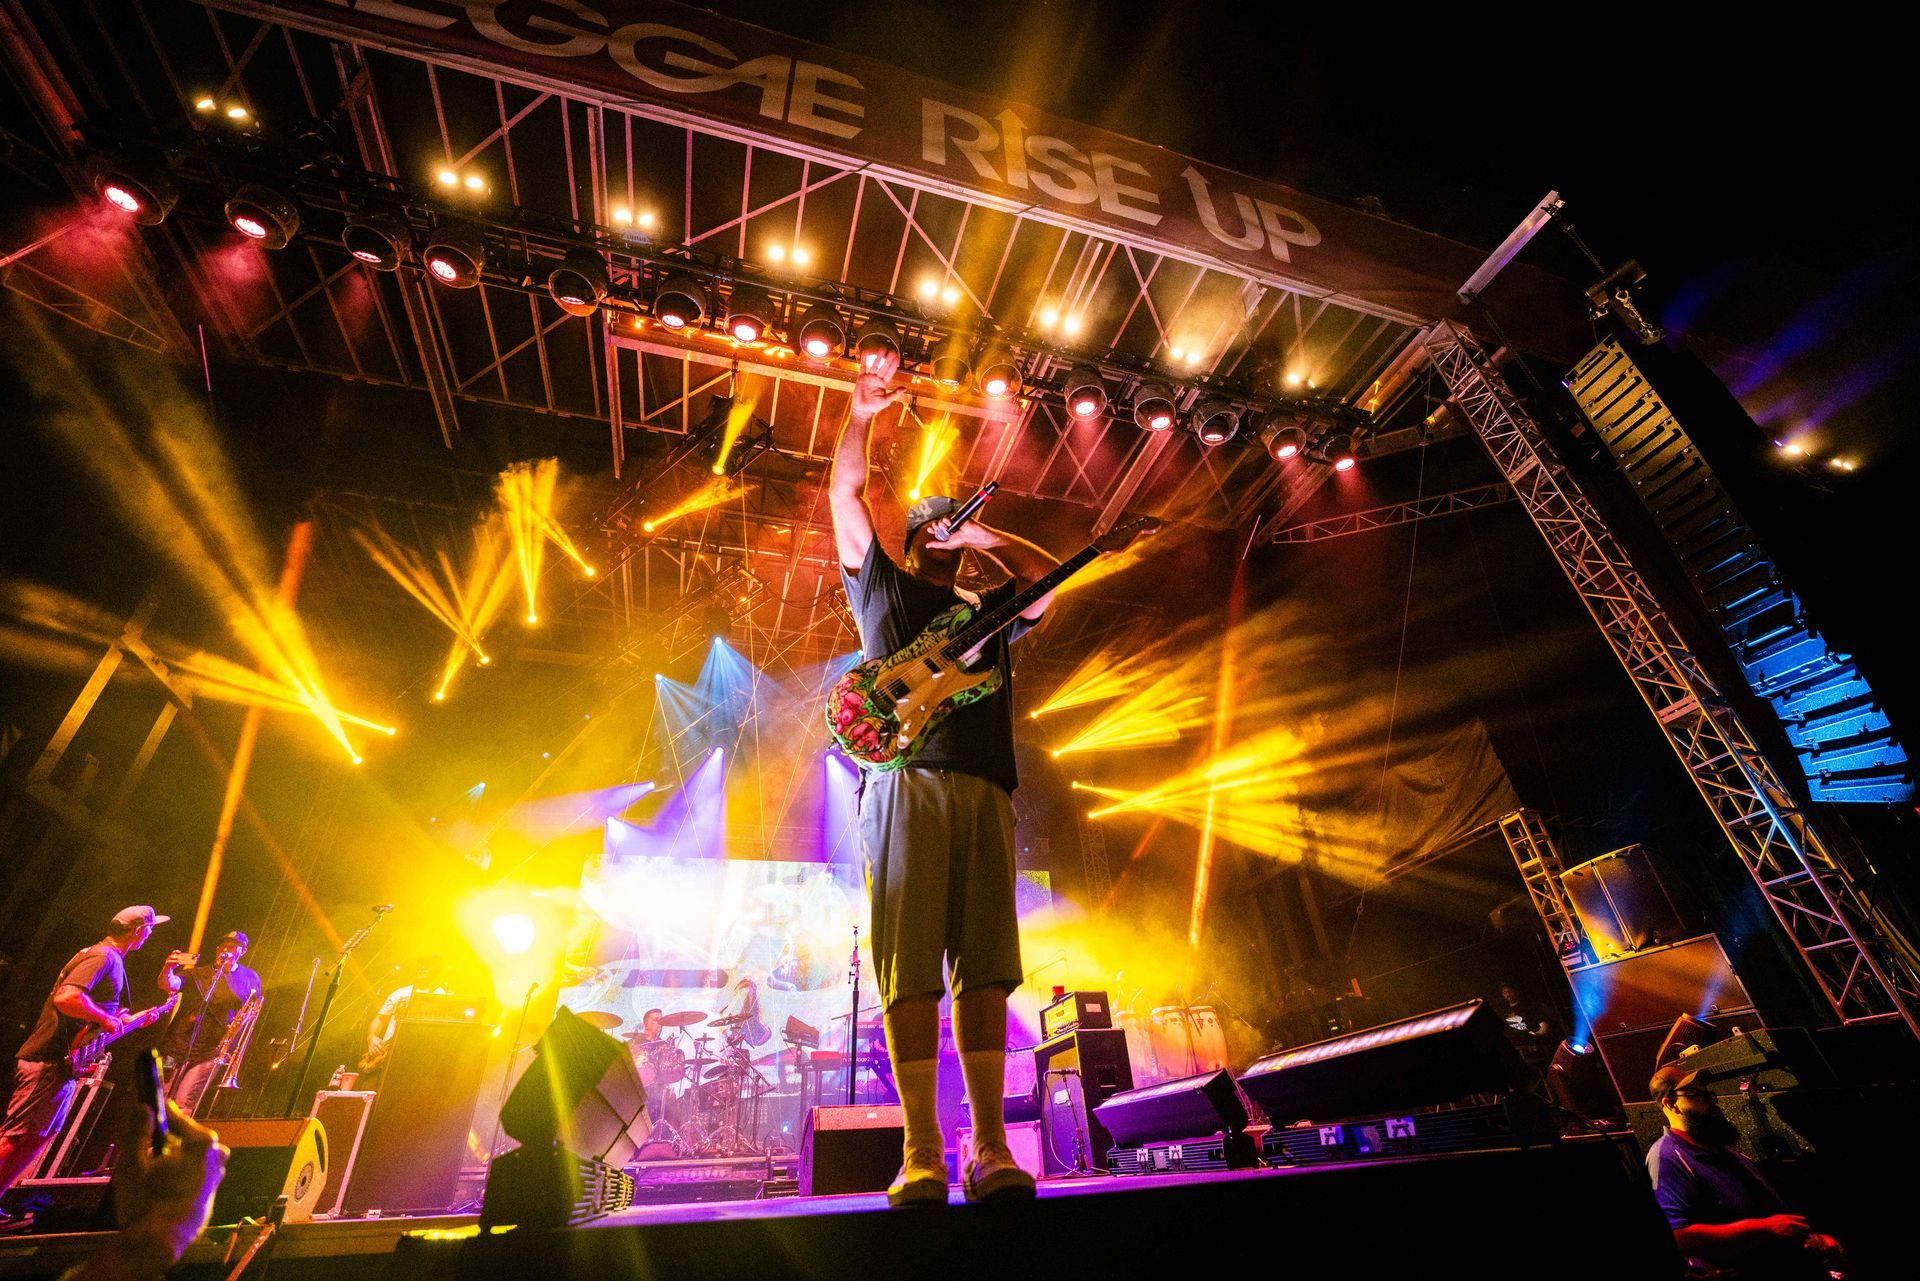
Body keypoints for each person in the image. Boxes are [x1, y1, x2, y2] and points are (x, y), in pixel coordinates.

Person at [828, 348, 1058, 1205]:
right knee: (911, 966)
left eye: (948, 529)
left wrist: (986, 534)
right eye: (933, 526)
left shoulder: (983, 614)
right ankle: (921, 1147)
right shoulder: (882, 590)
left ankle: (990, 1147)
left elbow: (1042, 591)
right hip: (906, 780)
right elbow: (845, 499)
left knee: (988, 968)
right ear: (912, 540)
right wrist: (860, 414)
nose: (941, 534)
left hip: (984, 788)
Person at [0, 906, 167, 1209]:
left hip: (62, 1066)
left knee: (38, 1136)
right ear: (139, 932)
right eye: (151, 929)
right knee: (16, 1137)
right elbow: (66, 998)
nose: (150, 935)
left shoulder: (107, 957)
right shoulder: (103, 957)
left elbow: (94, 1023)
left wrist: (129, 1022)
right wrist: (105, 1018)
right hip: (46, 1061)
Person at [1644, 1059, 1845, 1278]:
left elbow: (1775, 1216)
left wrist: (1815, 1239)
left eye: (1708, 1094)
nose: (1712, 1102)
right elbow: (1680, 1237)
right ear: (1671, 1104)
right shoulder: (1667, 1157)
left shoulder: (1728, 1154)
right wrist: (1764, 1229)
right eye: (1698, 1096)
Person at [157, 932, 262, 1116]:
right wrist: (167, 969)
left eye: (232, 946)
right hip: (175, 1047)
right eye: (223, 946)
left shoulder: (250, 978)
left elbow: (252, 1011)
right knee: (161, 1098)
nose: (226, 949)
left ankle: (173, 1142)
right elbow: (170, 984)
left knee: (185, 1102)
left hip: (209, 1053)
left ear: (243, 951)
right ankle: (151, 1143)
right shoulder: (198, 973)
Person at [360, 955, 448, 1087]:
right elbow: (379, 1019)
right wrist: (371, 1037)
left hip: (417, 1059)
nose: (422, 968)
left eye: (428, 965)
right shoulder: (400, 993)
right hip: (387, 1055)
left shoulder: (442, 997)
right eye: (421, 964)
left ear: (437, 970)